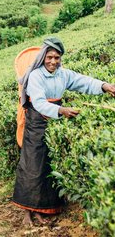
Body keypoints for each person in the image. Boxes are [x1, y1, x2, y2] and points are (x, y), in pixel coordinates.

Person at [12, 37, 115, 225]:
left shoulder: (62, 74)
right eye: (49, 57)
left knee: (48, 167)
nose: (53, 61)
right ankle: (28, 211)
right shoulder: (36, 76)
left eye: (57, 57)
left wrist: (104, 86)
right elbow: (40, 103)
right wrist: (61, 110)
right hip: (37, 121)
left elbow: (82, 81)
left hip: (55, 119)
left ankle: (44, 209)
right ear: (43, 57)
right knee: (33, 166)